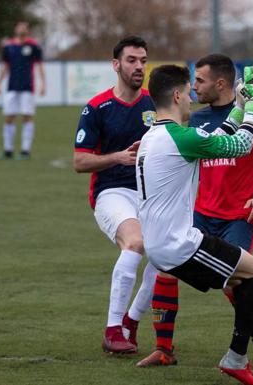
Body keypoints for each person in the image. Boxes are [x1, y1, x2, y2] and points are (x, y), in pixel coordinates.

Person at [136, 64, 253, 385]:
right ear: (176, 95)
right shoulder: (179, 137)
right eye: (189, 91)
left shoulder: (155, 136)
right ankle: (235, 358)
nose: (192, 97)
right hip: (179, 245)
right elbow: (241, 145)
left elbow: (217, 137)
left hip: (163, 244)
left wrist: (241, 107)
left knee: (239, 281)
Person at [73, 36, 158, 354]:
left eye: (143, 61)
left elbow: (194, 116)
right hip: (111, 193)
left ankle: (131, 323)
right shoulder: (97, 108)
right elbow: (79, 162)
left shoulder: (153, 103)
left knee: (165, 257)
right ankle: (112, 329)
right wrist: (118, 157)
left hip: (150, 196)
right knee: (135, 243)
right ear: (116, 65)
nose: (139, 67)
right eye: (132, 60)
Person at [0, 21, 46, 160]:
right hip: (12, 87)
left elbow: (40, 66)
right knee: (9, 117)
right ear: (15, 29)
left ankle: (25, 150)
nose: (21, 28)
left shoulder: (33, 46)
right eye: (19, 26)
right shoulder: (9, 46)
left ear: (27, 30)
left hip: (27, 87)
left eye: (24, 26)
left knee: (26, 116)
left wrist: (43, 84)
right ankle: (8, 150)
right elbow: (5, 67)